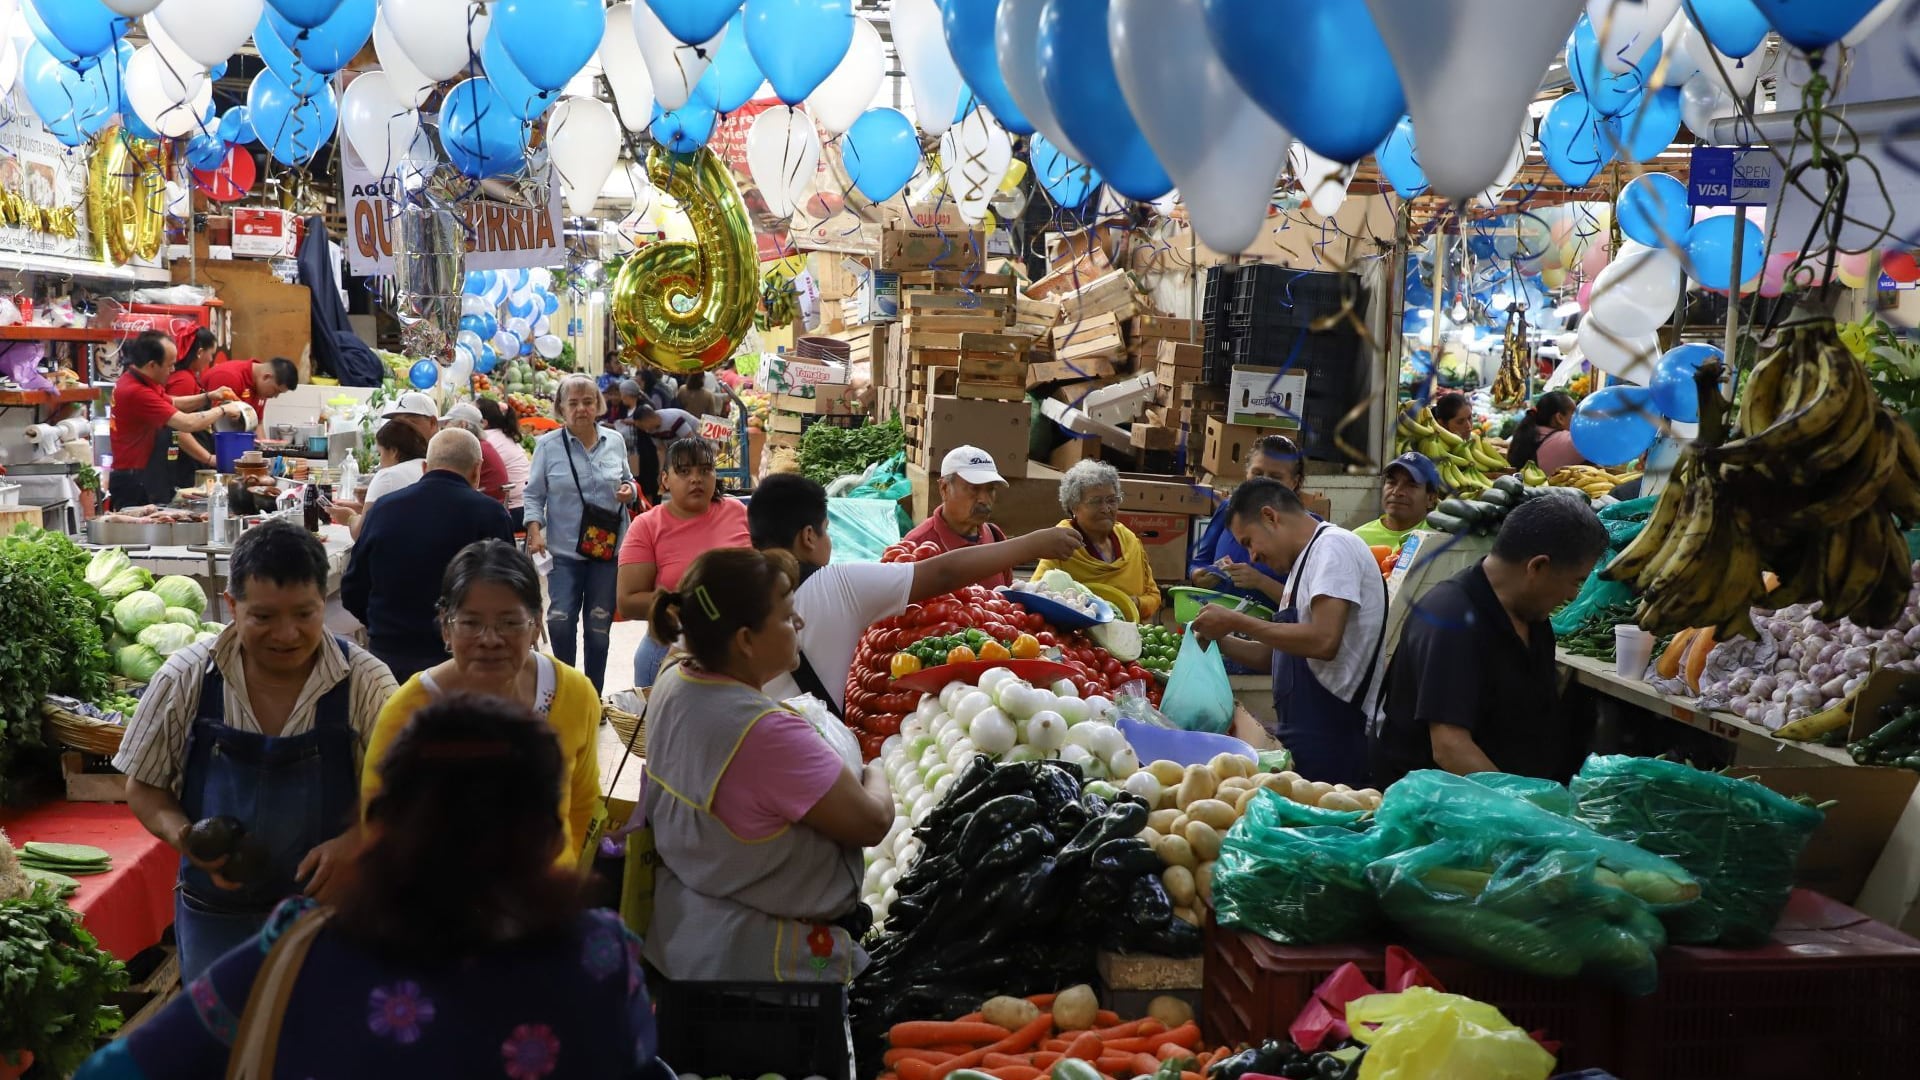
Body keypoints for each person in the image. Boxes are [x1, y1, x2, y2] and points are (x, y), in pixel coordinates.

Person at [80, 696, 655, 1080]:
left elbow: (118, 1071)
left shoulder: (301, 954)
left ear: (377, 822)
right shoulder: (601, 957)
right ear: (547, 833)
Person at [113, 521, 398, 979]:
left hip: (334, 920)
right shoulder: (185, 676)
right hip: (216, 921)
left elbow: (409, 798)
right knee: (221, 1048)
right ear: (231, 606)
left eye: (304, 615)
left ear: (324, 601)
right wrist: (183, 835)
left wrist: (358, 841)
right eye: (263, 618)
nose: (286, 634)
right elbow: (143, 786)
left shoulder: (366, 681)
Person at [642, 547, 893, 982]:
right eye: (787, 614)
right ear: (744, 639)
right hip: (763, 972)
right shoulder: (765, 732)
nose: (799, 623)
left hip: (691, 939)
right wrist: (877, 767)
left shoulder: (675, 677)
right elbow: (872, 822)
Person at [749, 473, 1083, 716]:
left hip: (743, 740)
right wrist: (1034, 543)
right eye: (827, 531)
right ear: (809, 536)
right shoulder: (837, 585)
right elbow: (942, 573)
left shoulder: (730, 587)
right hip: (807, 748)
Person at [362, 540, 604, 867]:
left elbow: (582, 806)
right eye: (471, 623)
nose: (490, 640)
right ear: (446, 626)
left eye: (509, 622)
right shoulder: (408, 712)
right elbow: (379, 830)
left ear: (536, 624)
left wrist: (558, 890)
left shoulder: (574, 695)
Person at [1372, 496, 1607, 787]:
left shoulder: (1533, 618)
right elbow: (1450, 747)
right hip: (1442, 815)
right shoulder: (1452, 619)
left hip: (1497, 809)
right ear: (1537, 567)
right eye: (1576, 581)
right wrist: (1525, 809)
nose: (1574, 596)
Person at [1190, 479, 1388, 788]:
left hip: (1338, 742)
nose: (1252, 556)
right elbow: (1276, 655)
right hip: (1307, 738)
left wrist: (1236, 622)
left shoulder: (1333, 547)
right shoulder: (1301, 566)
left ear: (1270, 517)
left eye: (1248, 542)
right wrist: (1219, 641)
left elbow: (1324, 641)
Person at [342, 430, 517, 682]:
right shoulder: (491, 515)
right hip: (464, 660)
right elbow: (508, 592)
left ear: (425, 467)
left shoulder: (384, 508)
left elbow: (353, 588)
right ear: (477, 471)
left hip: (390, 658)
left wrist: (382, 627)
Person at [526, 374, 638, 691]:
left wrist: (628, 491)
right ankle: (566, 694)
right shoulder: (547, 447)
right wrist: (535, 530)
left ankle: (592, 696)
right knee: (560, 623)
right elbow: (534, 495)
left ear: (598, 405)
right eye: (573, 403)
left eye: (588, 402)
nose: (581, 409)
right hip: (564, 553)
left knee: (598, 629)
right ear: (561, 408)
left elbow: (628, 480)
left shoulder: (614, 441)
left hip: (607, 552)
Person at [617, 437, 750, 689]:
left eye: (705, 470)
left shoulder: (736, 512)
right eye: (684, 471)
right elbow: (627, 601)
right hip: (669, 652)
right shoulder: (646, 526)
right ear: (665, 479)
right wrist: (691, 602)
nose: (696, 479)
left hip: (735, 650)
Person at [107, 330, 242, 510]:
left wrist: (209, 396)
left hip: (148, 476)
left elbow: (173, 402)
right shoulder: (137, 392)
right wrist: (223, 409)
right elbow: (186, 423)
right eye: (170, 365)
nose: (172, 370)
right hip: (135, 483)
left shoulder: (140, 381)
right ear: (152, 365)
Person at [1190, 433, 1312, 607]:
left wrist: (1261, 582)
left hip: (1272, 630)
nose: (1264, 483)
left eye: (1275, 477)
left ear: (1294, 482)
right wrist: (1200, 574)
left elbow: (1307, 605)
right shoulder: (1230, 510)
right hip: (1220, 625)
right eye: (1257, 473)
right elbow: (1198, 563)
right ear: (1246, 473)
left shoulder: (1308, 533)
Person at [1032, 459, 1162, 622]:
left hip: (1129, 636)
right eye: (1095, 502)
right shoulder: (1060, 543)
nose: (1106, 509)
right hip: (1078, 639)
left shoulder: (1130, 541)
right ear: (1074, 507)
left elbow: (1153, 596)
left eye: (1112, 500)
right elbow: (1036, 595)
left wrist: (1136, 603)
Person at [900, 446, 1013, 588]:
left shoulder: (996, 538)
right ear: (944, 488)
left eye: (991, 489)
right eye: (974, 488)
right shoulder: (916, 547)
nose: (984, 500)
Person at [331, 420, 430, 536]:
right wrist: (367, 506)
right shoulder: (429, 467)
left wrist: (349, 518)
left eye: (380, 453)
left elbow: (361, 535)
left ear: (393, 451)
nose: (380, 461)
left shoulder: (388, 476)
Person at [1351, 452, 1444, 552]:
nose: (1396, 492)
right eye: (1392, 482)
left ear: (1430, 498)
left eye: (1411, 485)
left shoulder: (1440, 538)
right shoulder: (1357, 540)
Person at [165, 329, 221, 487]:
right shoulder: (184, 380)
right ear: (200, 352)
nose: (211, 359)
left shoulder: (189, 377)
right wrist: (208, 458)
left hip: (192, 458)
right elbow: (178, 428)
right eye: (211, 353)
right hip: (187, 463)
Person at [477, 396, 532, 529]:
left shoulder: (486, 441)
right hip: (526, 508)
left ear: (483, 422)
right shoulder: (503, 435)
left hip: (512, 511)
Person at [441, 401, 511, 504]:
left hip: (480, 507)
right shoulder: (482, 445)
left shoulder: (469, 448)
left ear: (462, 425)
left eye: (447, 424)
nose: (443, 429)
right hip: (490, 505)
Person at [201, 355, 300, 416]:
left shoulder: (261, 388)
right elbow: (216, 422)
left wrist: (266, 448)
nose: (274, 396)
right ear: (267, 377)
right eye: (276, 391)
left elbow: (257, 424)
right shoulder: (229, 377)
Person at [1506, 391, 1576, 469]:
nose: (1579, 419)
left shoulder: (1527, 432)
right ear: (1559, 418)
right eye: (1575, 414)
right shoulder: (1568, 440)